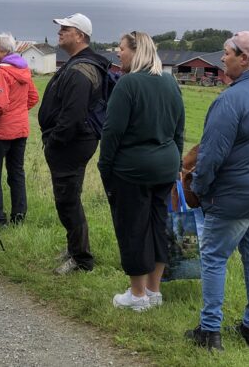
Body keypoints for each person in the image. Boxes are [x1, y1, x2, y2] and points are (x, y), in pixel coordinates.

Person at [186, 31, 249, 352]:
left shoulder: (230, 100)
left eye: (227, 53)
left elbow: (211, 155)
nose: (222, 58)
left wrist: (199, 190)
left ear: (244, 59)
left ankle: (210, 331)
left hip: (234, 195)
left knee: (214, 258)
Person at [99, 32, 184, 311]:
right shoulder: (171, 82)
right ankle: (153, 290)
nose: (118, 53)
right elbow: (179, 130)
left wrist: (105, 166)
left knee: (133, 229)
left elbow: (112, 132)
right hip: (166, 166)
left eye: (121, 48)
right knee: (159, 227)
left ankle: (137, 295)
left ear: (136, 51)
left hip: (133, 169)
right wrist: (177, 162)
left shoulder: (128, 84)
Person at [37, 13, 111, 275]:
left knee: (67, 200)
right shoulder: (80, 63)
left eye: (65, 29)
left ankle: (82, 260)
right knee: (68, 199)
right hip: (73, 142)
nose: (60, 32)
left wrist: (54, 142)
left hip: (71, 144)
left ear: (79, 35)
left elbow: (73, 115)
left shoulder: (82, 70)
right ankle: (75, 248)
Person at [0, 33, 39, 226]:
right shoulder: (23, 69)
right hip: (19, 130)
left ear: (4, 50)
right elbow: (33, 98)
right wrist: (18, 113)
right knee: (16, 173)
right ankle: (19, 216)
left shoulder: (1, 72)